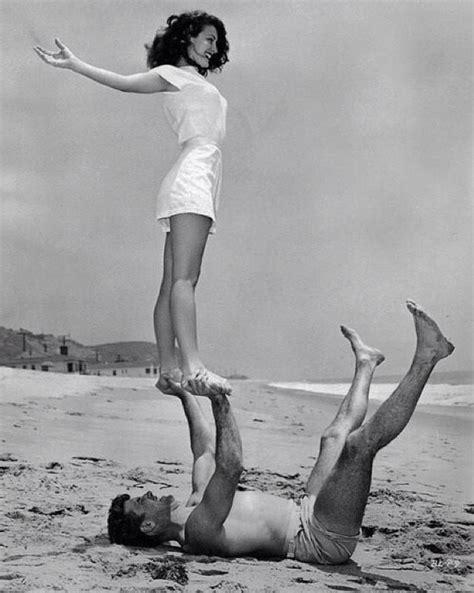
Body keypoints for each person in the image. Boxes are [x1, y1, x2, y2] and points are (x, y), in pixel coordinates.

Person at [107, 300, 454, 564]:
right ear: (148, 527)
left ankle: (366, 363)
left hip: (306, 507)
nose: (148, 494)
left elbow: (205, 452)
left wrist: (183, 393)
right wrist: (218, 399)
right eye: (141, 502)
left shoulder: (195, 501)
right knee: (356, 447)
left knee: (333, 437)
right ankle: (428, 357)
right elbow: (230, 467)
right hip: (320, 538)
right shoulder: (197, 531)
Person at [34, 11, 232, 397]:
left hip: (198, 176)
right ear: (188, 38)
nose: (214, 48)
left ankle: (168, 371)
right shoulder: (173, 75)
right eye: (209, 39)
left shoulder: (189, 80)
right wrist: (75, 64)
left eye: (216, 43)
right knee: (184, 280)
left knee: (172, 282)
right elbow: (124, 84)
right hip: (193, 175)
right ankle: (193, 367)